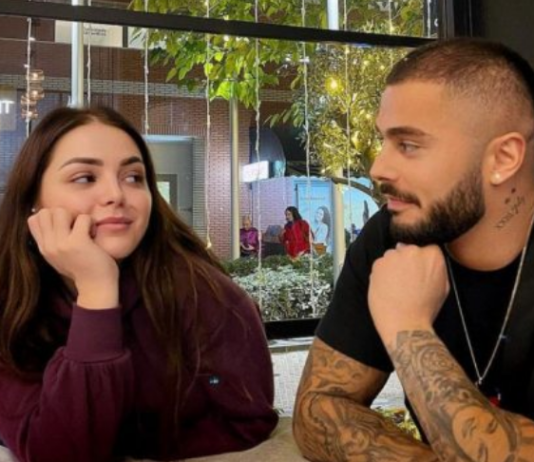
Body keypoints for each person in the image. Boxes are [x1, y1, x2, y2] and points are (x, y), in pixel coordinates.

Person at [294, 38, 534, 461]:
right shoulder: (392, 237)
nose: (378, 168)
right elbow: (317, 410)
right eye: (384, 141)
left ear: (503, 158)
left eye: (408, 145)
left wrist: (407, 327)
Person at [0, 106, 278, 462]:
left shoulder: (207, 296)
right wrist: (97, 291)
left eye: (133, 177)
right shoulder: (12, 301)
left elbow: (248, 423)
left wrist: (122, 446)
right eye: (85, 178)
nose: (116, 194)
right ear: (33, 201)